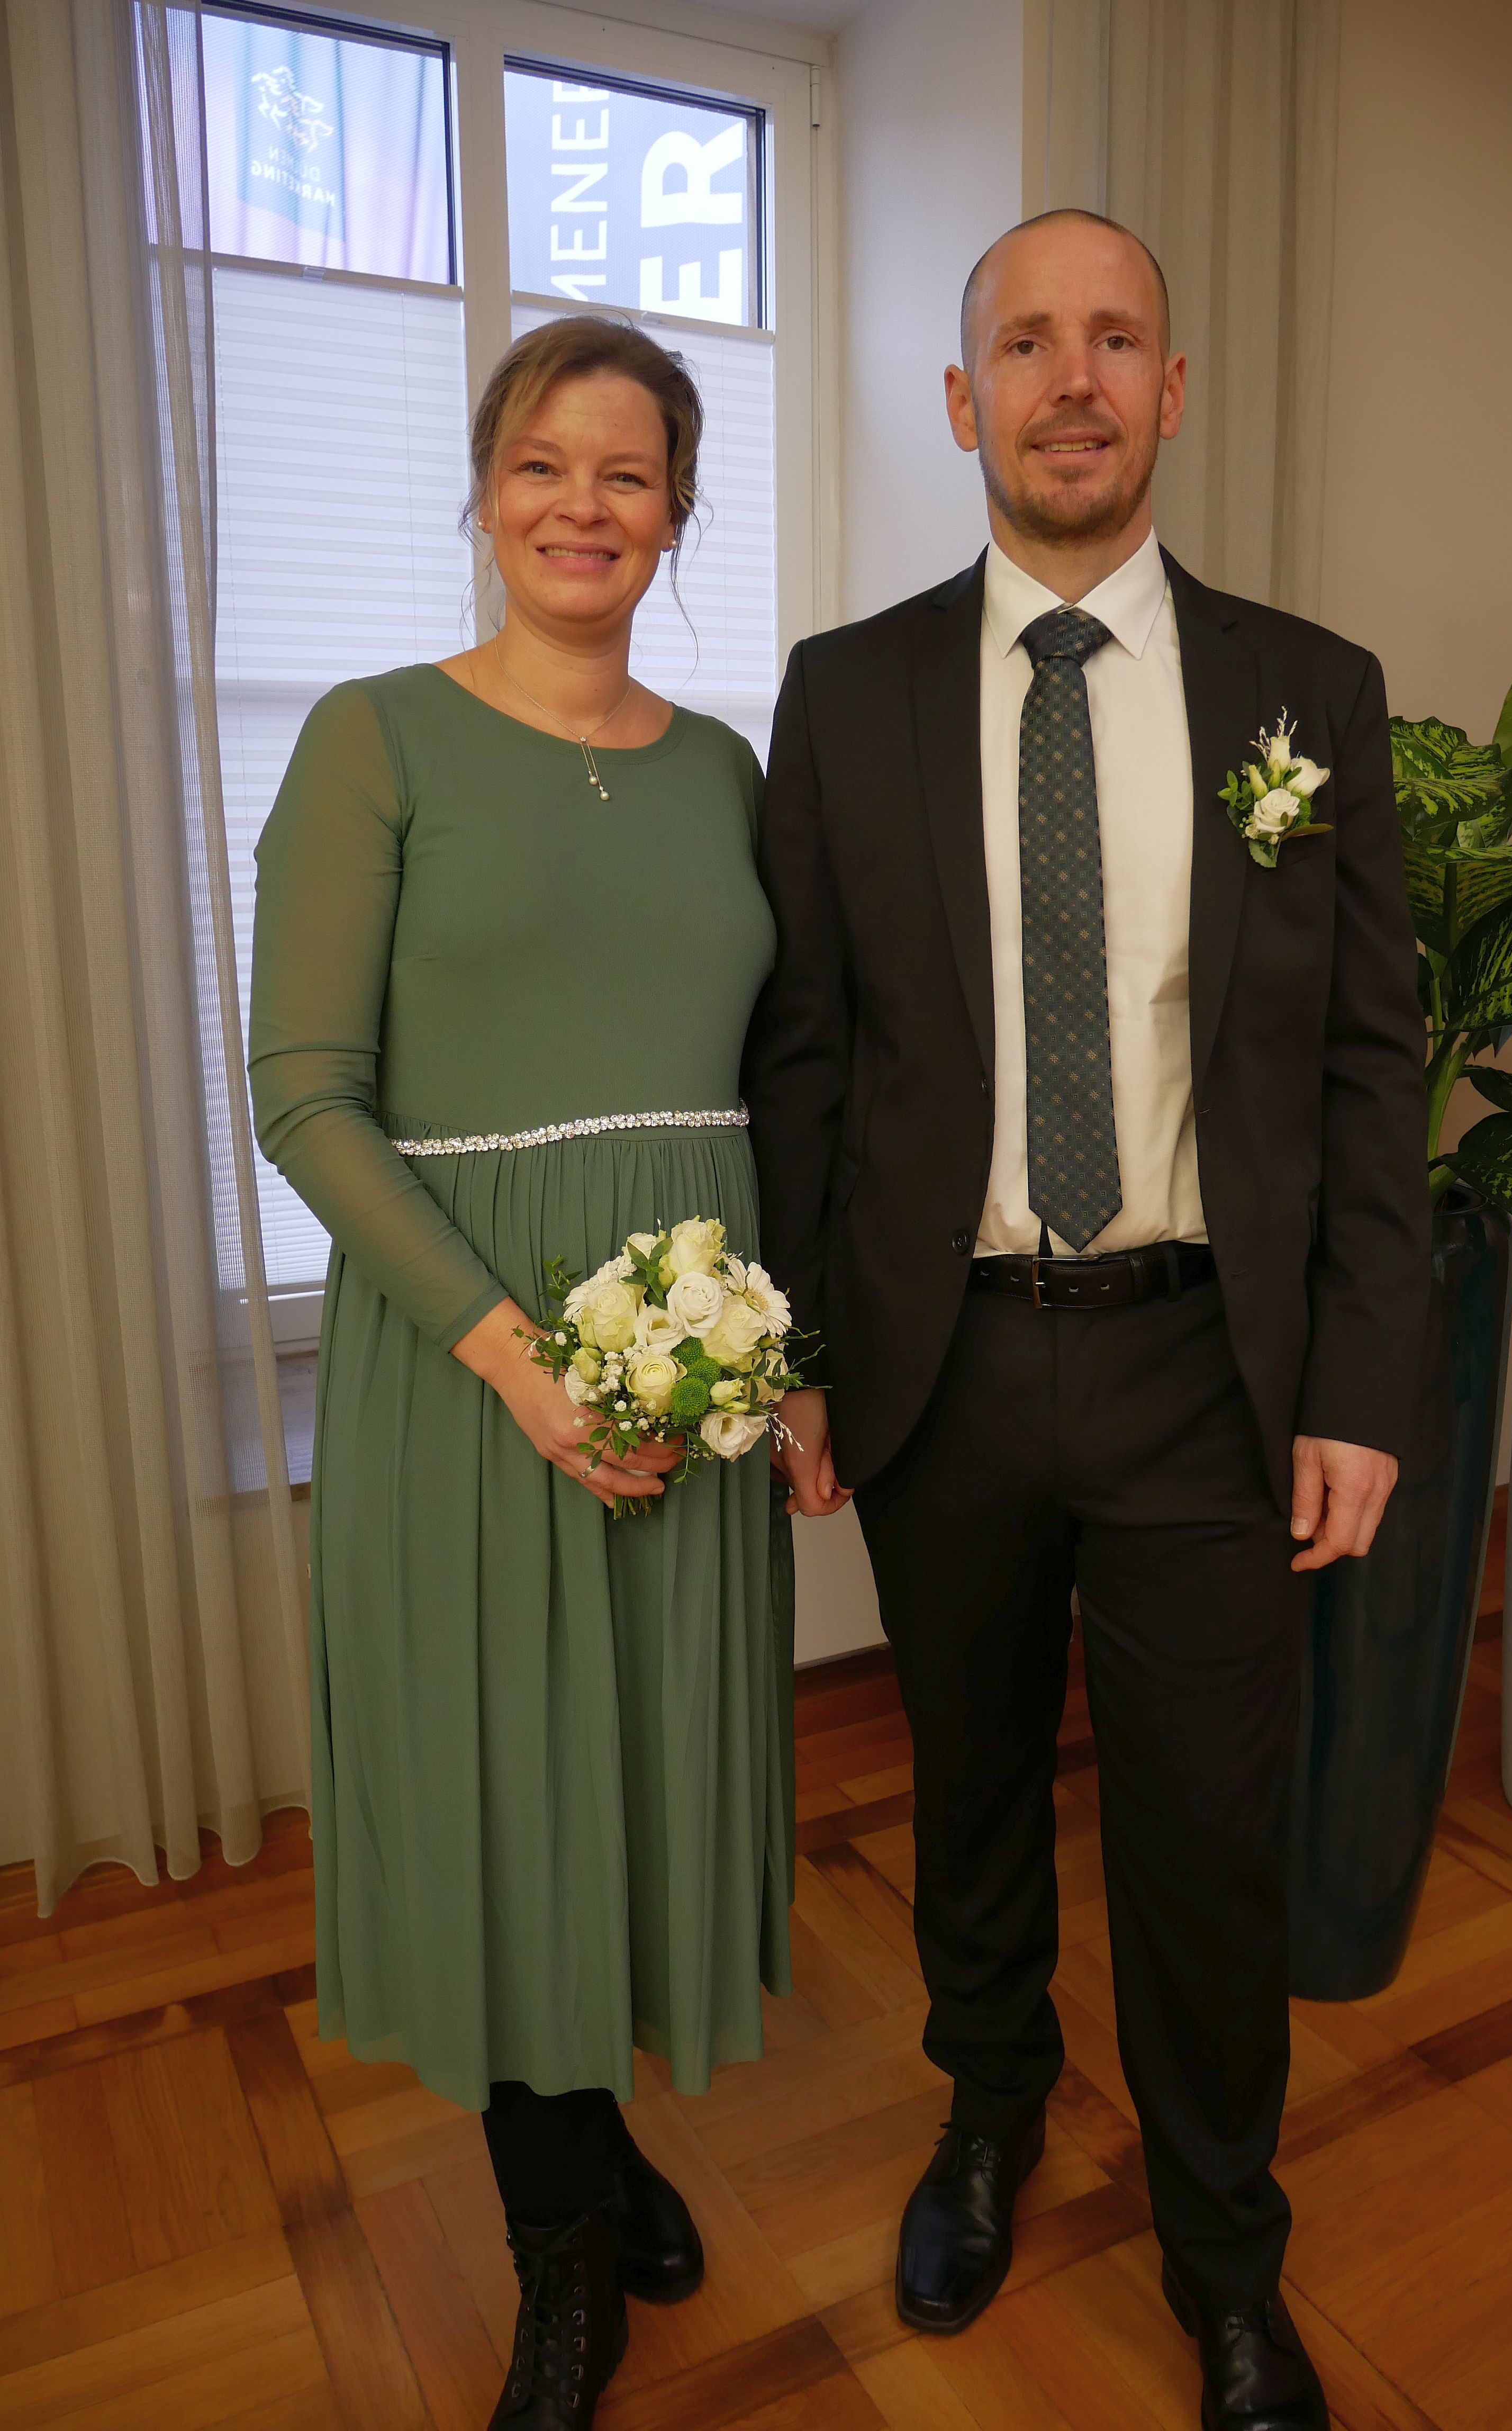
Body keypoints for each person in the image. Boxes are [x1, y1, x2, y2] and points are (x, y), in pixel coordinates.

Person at [745, 210, 1429, 2430]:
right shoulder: (844, 693)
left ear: (1171, 388)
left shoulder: (1307, 693)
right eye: (1026, 343)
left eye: (1114, 338)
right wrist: (804, 1357)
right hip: (938, 1359)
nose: (1071, 379)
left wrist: (1360, 1381)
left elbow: (1363, 1070)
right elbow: (807, 1060)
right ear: (962, 398)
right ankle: (986, 2114)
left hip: (1200, 1370)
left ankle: (1225, 2253)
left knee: (1205, 1842)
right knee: (964, 1796)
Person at [249, 315, 795, 2431]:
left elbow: (777, 1079)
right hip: (471, 1374)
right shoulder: (373, 738)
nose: (584, 504)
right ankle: (560, 2251)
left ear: (678, 511)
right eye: (543, 463)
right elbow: (305, 1097)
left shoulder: (724, 771)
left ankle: (599, 2147)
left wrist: (788, 1355)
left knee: (623, 1787)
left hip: (690, 1374)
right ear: (484, 491)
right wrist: (510, 1355)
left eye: (628, 471)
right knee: (505, 1799)